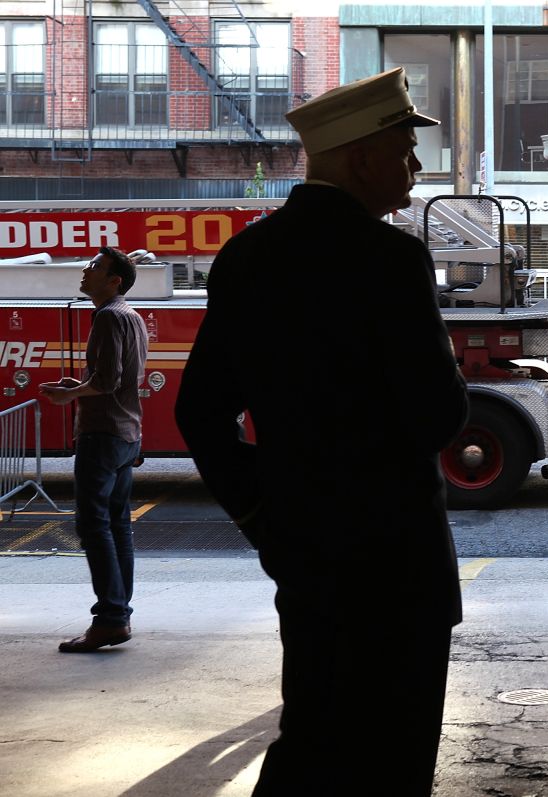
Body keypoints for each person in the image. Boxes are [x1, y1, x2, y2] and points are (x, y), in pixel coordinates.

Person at [174, 68, 469, 794]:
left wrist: (262, 518)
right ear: (361, 156)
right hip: (400, 562)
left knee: (312, 734)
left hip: (304, 553)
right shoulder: (393, 259)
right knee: (393, 756)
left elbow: (199, 412)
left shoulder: (246, 258)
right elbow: (440, 414)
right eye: (405, 148)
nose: (417, 165)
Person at [39, 247, 148, 653]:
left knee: (93, 524)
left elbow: (106, 381)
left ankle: (109, 619)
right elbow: (119, 380)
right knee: (118, 525)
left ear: (114, 280)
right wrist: (77, 386)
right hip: (126, 434)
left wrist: (72, 397)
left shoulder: (107, 317)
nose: (86, 271)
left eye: (95, 267)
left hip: (101, 435)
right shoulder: (132, 316)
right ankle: (119, 613)